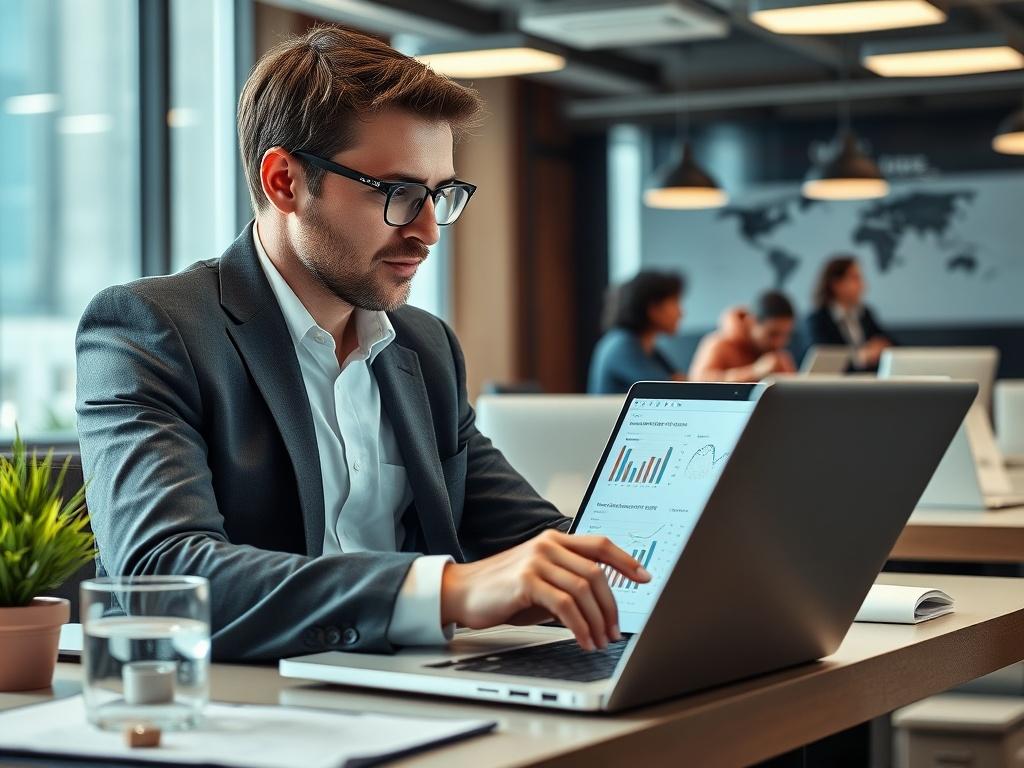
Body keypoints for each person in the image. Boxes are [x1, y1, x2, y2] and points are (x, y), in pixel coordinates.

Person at [75, 26, 649, 662]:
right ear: (285, 182)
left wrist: (663, 563)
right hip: (248, 701)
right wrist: (447, 591)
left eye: (439, 195)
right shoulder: (151, 328)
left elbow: (530, 537)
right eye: (399, 194)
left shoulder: (424, 347)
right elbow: (161, 574)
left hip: (416, 688)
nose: (429, 231)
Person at [587, 271, 687, 394]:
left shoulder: (645, 346)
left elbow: (680, 381)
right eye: (675, 302)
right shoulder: (622, 344)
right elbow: (671, 389)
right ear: (653, 309)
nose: (681, 313)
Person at [805, 255, 893, 372]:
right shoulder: (817, 320)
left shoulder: (865, 314)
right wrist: (859, 358)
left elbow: (889, 341)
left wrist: (881, 345)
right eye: (855, 278)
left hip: (867, 380)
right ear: (836, 284)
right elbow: (825, 360)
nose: (863, 285)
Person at [689, 291, 798, 382]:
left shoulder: (779, 355)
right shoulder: (718, 344)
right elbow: (698, 381)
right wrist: (755, 372)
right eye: (772, 334)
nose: (780, 342)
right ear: (751, 321)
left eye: (786, 334)